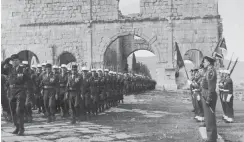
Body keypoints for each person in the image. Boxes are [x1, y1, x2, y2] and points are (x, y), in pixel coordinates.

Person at [3, 54, 31, 135]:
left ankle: (21, 129)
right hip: (11, 92)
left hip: (20, 91)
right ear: (11, 62)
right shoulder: (9, 69)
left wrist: (28, 93)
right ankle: (17, 127)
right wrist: (6, 60)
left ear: (19, 61)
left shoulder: (23, 70)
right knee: (13, 111)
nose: (15, 62)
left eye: (16, 60)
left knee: (19, 110)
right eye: (13, 60)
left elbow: (29, 81)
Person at [201, 56, 218, 142]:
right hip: (205, 95)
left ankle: (211, 138)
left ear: (208, 62)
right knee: (208, 118)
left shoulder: (210, 71)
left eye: (204, 62)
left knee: (210, 118)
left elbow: (211, 87)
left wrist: (209, 98)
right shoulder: (207, 71)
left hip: (208, 95)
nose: (203, 63)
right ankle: (211, 137)